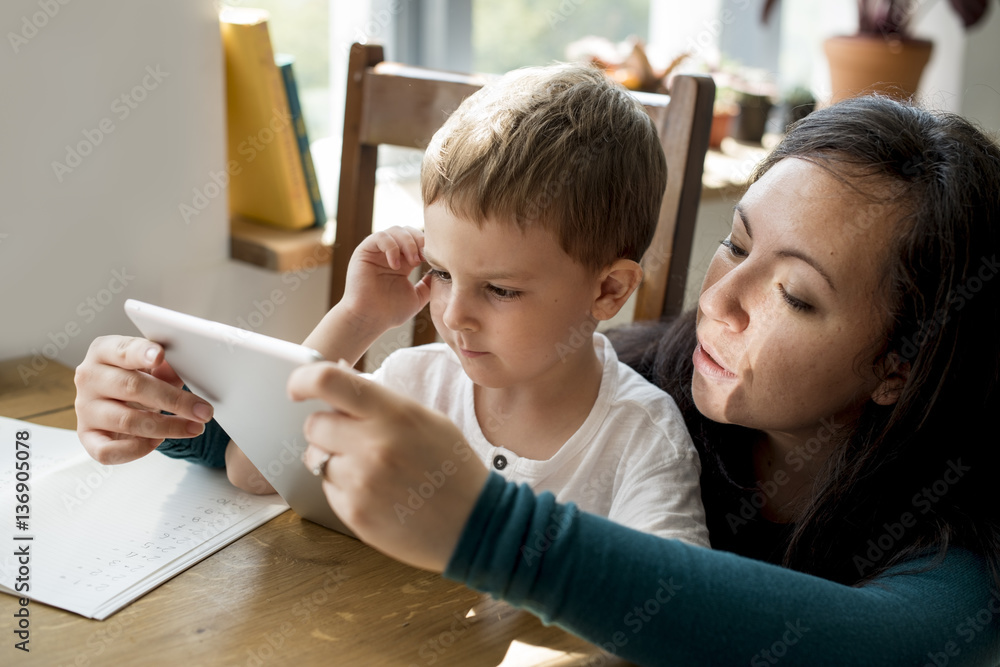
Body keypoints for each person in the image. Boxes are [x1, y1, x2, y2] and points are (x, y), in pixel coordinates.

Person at [291, 95, 1000, 665]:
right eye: (737, 243)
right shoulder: (633, 379)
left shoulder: (952, 548)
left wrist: (488, 528)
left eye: (794, 295)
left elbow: (882, 643)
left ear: (897, 367)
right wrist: (201, 417)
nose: (717, 301)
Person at [74, 63, 709, 545]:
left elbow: (674, 620)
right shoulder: (414, 383)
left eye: (501, 289)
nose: (453, 315)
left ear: (608, 290)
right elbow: (253, 471)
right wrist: (359, 319)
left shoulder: (642, 437)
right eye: (438, 271)